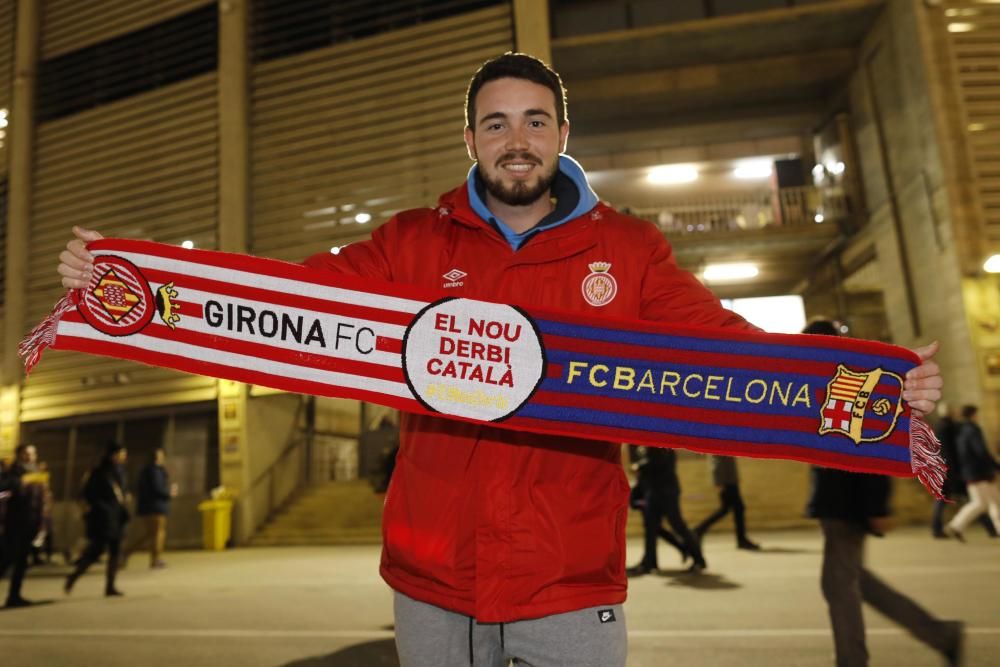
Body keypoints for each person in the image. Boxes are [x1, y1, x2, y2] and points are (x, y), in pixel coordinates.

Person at [58, 53, 944, 666]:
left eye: (533, 120)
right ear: (471, 140)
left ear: (561, 131)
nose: (515, 139)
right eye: (494, 124)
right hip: (433, 578)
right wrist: (130, 286)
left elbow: (727, 352)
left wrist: (877, 386)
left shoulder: (628, 249)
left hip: (568, 580)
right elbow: (285, 309)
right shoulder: (409, 242)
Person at [803, 319, 962, 667]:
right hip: (838, 502)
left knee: (838, 587)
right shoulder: (827, 379)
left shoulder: (857, 379)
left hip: (847, 505)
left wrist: (877, 504)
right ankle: (940, 634)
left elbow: (877, 444)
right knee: (856, 582)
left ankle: (853, 661)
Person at [626, 445, 706, 576]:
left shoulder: (660, 439)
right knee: (651, 527)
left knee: (677, 525)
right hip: (653, 491)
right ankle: (649, 562)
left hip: (666, 490)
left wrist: (639, 466)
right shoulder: (645, 442)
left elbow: (658, 461)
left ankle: (699, 559)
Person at [65, 441, 131, 597]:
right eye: (122, 453)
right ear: (113, 455)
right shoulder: (98, 472)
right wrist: (101, 508)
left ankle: (110, 586)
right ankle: (74, 576)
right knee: (97, 551)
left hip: (117, 516)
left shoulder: (119, 471)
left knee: (115, 551)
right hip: (104, 518)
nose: (124, 456)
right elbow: (88, 494)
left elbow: (121, 491)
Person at [932, 404, 996, 539]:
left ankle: (955, 526)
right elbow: (979, 452)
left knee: (980, 502)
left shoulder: (951, 428)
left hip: (959, 470)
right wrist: (994, 466)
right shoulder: (961, 429)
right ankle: (950, 527)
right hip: (968, 471)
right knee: (986, 502)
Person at [0, 444, 46, 608]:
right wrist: (19, 483)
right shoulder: (13, 473)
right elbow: (2, 490)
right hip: (15, 522)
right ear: (19, 455)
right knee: (7, 558)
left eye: (33, 453)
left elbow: (40, 499)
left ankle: (14, 596)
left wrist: (41, 521)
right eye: (26, 453)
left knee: (21, 561)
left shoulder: (37, 474)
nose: (30, 456)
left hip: (31, 522)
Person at [693, 455, 759, 550]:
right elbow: (715, 459)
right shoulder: (718, 441)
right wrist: (719, 482)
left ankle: (699, 529)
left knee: (730, 509)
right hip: (726, 481)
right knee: (735, 508)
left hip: (730, 479)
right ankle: (699, 529)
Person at [131, 448, 177, 569]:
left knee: (151, 534)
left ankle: (127, 552)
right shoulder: (155, 470)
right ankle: (155, 559)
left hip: (149, 506)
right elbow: (157, 488)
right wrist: (169, 493)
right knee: (158, 533)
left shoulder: (147, 470)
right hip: (155, 506)